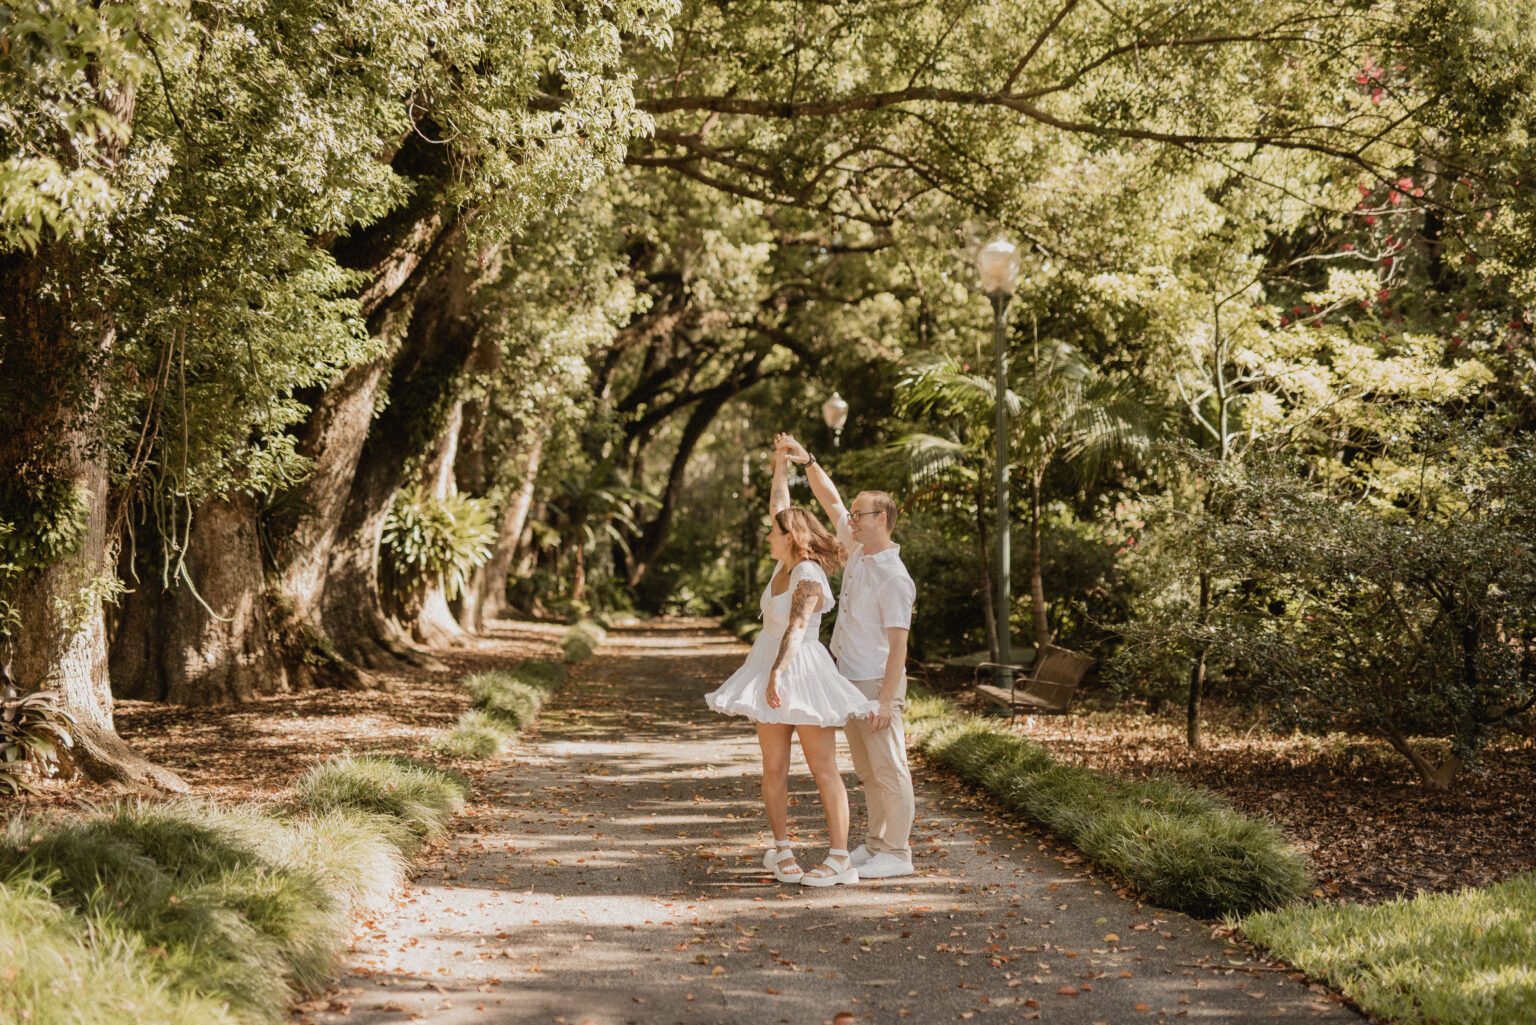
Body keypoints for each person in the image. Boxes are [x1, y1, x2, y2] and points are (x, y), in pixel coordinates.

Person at [704, 447, 877, 887]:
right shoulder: (783, 562)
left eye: (773, 533)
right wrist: (781, 462)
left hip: (799, 670)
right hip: (769, 664)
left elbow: (799, 626)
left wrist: (778, 673)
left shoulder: (808, 574)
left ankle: (841, 859)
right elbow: (779, 504)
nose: (768, 535)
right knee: (774, 766)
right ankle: (781, 852)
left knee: (822, 769)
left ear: (790, 537)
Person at [774, 433, 917, 879]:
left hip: (876, 683)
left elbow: (899, 646)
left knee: (890, 768)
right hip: (848, 681)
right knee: (868, 772)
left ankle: (897, 851)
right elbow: (830, 498)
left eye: (859, 515)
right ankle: (876, 845)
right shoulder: (857, 550)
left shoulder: (894, 577)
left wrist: (886, 700)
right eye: (852, 514)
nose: (849, 519)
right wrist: (808, 460)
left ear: (884, 518)